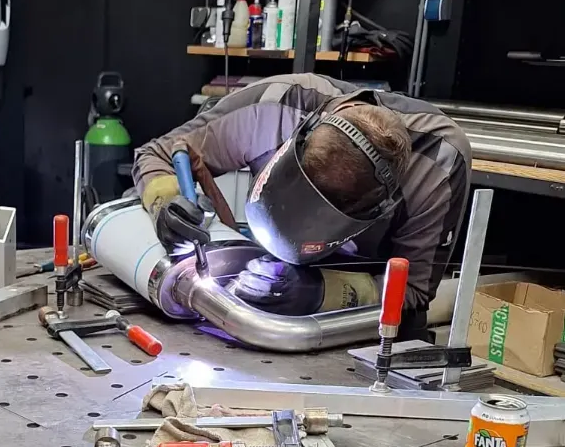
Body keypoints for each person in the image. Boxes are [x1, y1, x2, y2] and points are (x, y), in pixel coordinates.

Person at [135, 73, 470, 324]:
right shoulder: (278, 105)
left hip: (354, 329)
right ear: (300, 137)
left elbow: (413, 292)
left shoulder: (438, 162)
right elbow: (157, 154)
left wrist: (321, 293)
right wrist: (167, 204)